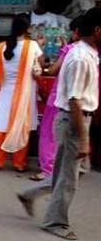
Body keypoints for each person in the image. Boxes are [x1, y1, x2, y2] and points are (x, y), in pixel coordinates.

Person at [16, 7, 101, 241]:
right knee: (69, 177)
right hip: (73, 119)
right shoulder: (81, 58)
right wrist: (83, 138)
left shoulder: (88, 54)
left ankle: (30, 193)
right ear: (97, 30)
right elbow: (75, 99)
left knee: (75, 170)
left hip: (77, 118)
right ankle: (55, 221)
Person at [0, 14, 44, 172]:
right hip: (25, 94)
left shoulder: (2, 47)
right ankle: (19, 163)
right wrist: (41, 46)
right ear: (27, 29)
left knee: (2, 126)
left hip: (6, 91)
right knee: (22, 126)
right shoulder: (32, 46)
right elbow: (41, 65)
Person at [31, 16, 82, 182]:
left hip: (59, 97)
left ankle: (47, 170)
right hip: (79, 99)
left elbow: (53, 70)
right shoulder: (91, 51)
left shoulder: (70, 50)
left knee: (48, 133)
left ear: (75, 32)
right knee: (71, 135)